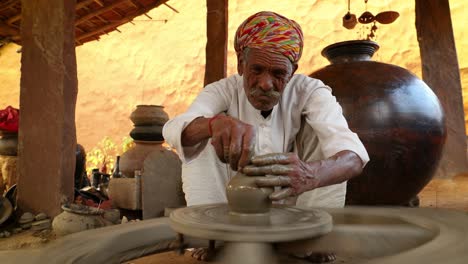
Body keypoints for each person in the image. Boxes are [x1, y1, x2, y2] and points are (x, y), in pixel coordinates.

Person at [163, 11, 369, 208]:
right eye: (257, 70)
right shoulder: (223, 90)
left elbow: (353, 157)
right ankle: (211, 236)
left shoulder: (309, 90)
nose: (265, 84)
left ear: (292, 72)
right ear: (241, 64)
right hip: (229, 207)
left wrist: (310, 174)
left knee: (327, 146)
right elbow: (175, 129)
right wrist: (213, 125)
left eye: (278, 73)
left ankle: (312, 240)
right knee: (204, 130)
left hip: (293, 205)